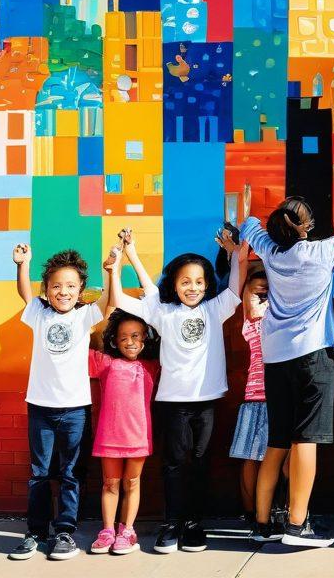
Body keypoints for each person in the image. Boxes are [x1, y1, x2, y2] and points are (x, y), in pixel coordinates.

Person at [236, 168, 334, 547]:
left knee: (278, 441)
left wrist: (245, 204)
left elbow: (247, 225)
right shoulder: (321, 252)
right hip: (311, 357)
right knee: (306, 438)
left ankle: (262, 524)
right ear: (306, 228)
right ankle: (296, 524)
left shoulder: (269, 250)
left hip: (274, 360)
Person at [110, 230, 243, 553]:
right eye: (185, 282)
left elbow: (235, 286)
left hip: (206, 401)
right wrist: (126, 257)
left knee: (199, 463)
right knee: (174, 464)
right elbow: (126, 298)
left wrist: (236, 253)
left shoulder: (215, 309)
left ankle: (194, 524)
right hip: (173, 403)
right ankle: (171, 524)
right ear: (174, 284)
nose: (192, 288)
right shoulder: (164, 312)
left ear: (207, 285)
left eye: (199, 282)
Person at [8, 244, 114, 562]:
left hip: (75, 409)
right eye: (56, 286)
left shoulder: (84, 316)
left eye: (70, 286)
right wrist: (23, 264)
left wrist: (111, 270)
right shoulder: (39, 314)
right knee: (39, 473)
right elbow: (24, 293)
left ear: (80, 290)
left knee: (71, 473)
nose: (63, 292)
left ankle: (65, 531)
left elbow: (109, 302)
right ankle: (36, 532)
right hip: (40, 407)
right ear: (47, 289)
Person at [88, 299, 161, 556]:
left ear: (145, 338)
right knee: (110, 483)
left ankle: (127, 530)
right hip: (109, 437)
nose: (130, 342)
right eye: (123, 337)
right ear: (115, 341)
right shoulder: (105, 363)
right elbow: (81, 344)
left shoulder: (152, 366)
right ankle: (108, 530)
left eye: (136, 336)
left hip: (138, 437)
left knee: (132, 482)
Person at [228, 262, 269, 526]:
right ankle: (250, 512)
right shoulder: (250, 320)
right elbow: (252, 305)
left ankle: (275, 509)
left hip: (280, 398)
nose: (264, 296)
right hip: (255, 398)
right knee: (250, 458)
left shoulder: (281, 314)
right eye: (259, 292)